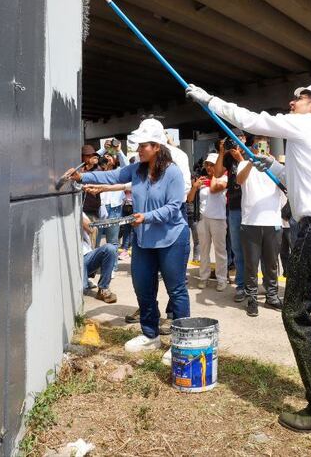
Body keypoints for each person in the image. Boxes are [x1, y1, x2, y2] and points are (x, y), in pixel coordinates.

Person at [186, 81, 311, 433]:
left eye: (300, 98)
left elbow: (253, 120)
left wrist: (209, 100)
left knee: (295, 314)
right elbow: (298, 184)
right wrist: (270, 166)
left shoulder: (308, 124)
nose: (292, 102)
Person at [66, 119, 190, 359]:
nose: (139, 149)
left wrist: (147, 217)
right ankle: (150, 334)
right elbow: (112, 176)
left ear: (157, 147)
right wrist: (81, 177)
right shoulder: (136, 169)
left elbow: (175, 207)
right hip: (143, 240)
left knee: (176, 291)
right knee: (143, 288)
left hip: (172, 238)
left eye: (144, 145)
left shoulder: (172, 172)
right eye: (139, 145)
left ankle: (181, 342)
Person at [238, 136, 287, 316]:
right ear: (252, 147)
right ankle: (251, 297)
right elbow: (239, 180)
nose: (261, 149)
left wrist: (271, 162)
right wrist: (251, 163)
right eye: (258, 145)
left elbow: (285, 187)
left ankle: (272, 296)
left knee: (271, 263)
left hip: (272, 221)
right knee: (251, 263)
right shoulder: (244, 164)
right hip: (250, 222)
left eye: (264, 145)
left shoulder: (275, 167)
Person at [187, 153, 229, 291]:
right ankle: (203, 277)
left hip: (219, 219)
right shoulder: (202, 180)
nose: (209, 167)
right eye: (207, 164)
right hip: (203, 219)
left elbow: (215, 189)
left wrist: (214, 176)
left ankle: (222, 279)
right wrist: (195, 186)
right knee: (204, 250)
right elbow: (190, 199)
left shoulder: (224, 177)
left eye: (213, 164)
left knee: (220, 251)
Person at [213, 138, 247, 303]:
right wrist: (221, 152)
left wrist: (241, 158)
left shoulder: (251, 154)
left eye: (238, 139)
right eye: (232, 140)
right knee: (237, 248)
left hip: (251, 208)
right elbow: (217, 173)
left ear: (244, 139)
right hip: (234, 207)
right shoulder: (227, 158)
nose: (235, 143)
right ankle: (241, 286)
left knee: (255, 250)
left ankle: (255, 286)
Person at [80, 214, 118, 304]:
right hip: (72, 261)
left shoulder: (78, 211)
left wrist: (76, 216)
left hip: (86, 256)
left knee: (110, 248)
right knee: (82, 289)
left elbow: (91, 229)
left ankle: (103, 288)